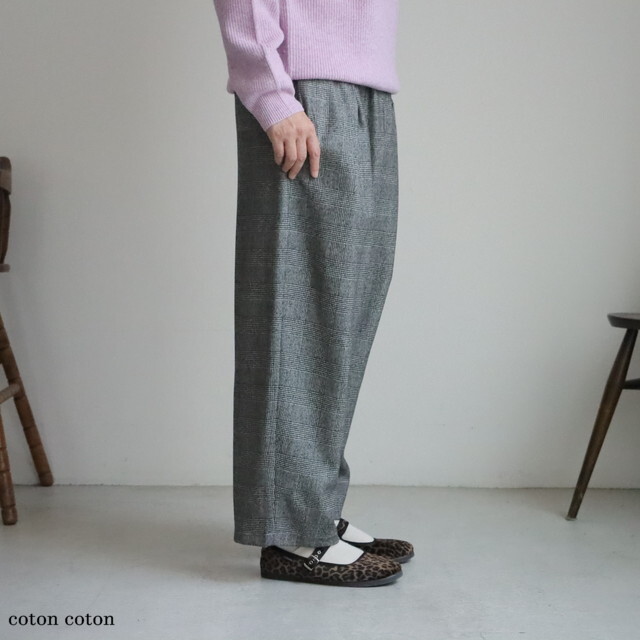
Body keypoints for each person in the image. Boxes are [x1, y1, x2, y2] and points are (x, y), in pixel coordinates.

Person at [212, 0, 414, 587]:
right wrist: (273, 96)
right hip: (303, 91)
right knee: (299, 309)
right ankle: (292, 530)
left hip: (367, 92)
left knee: (344, 310)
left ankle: (312, 505)